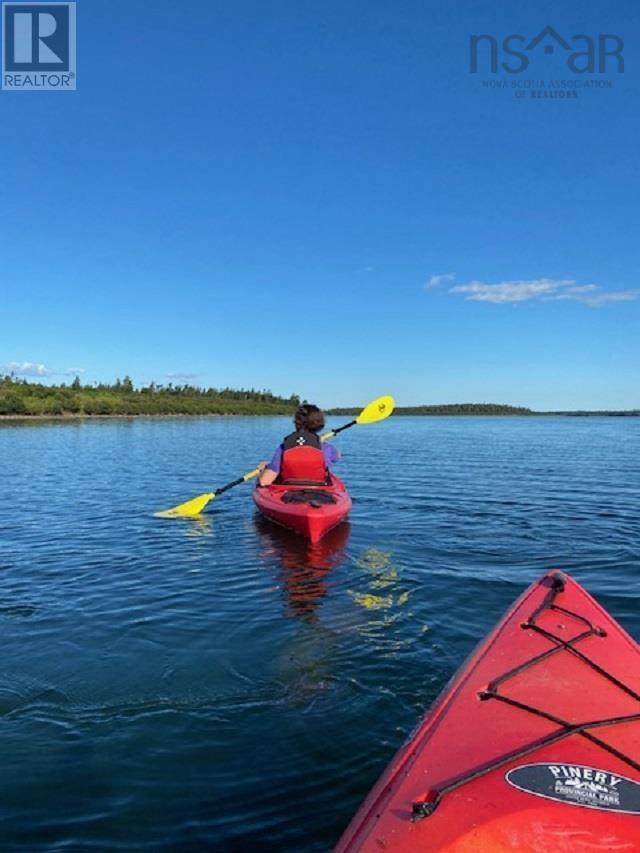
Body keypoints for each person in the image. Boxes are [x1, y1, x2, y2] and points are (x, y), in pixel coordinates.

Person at [258, 404, 340, 487]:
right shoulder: (327, 448)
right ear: (319, 424)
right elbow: (337, 456)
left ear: (297, 423)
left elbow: (265, 482)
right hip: (320, 491)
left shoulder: (284, 447)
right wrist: (321, 443)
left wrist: (264, 469)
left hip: (288, 491)